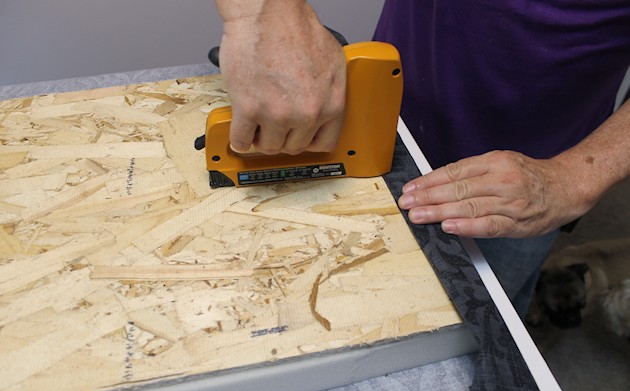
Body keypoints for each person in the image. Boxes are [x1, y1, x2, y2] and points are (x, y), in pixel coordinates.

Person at [214, 0, 630, 317]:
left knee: (486, 319)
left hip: (531, 173)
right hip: (389, 119)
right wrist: (262, 14)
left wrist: (573, 179)